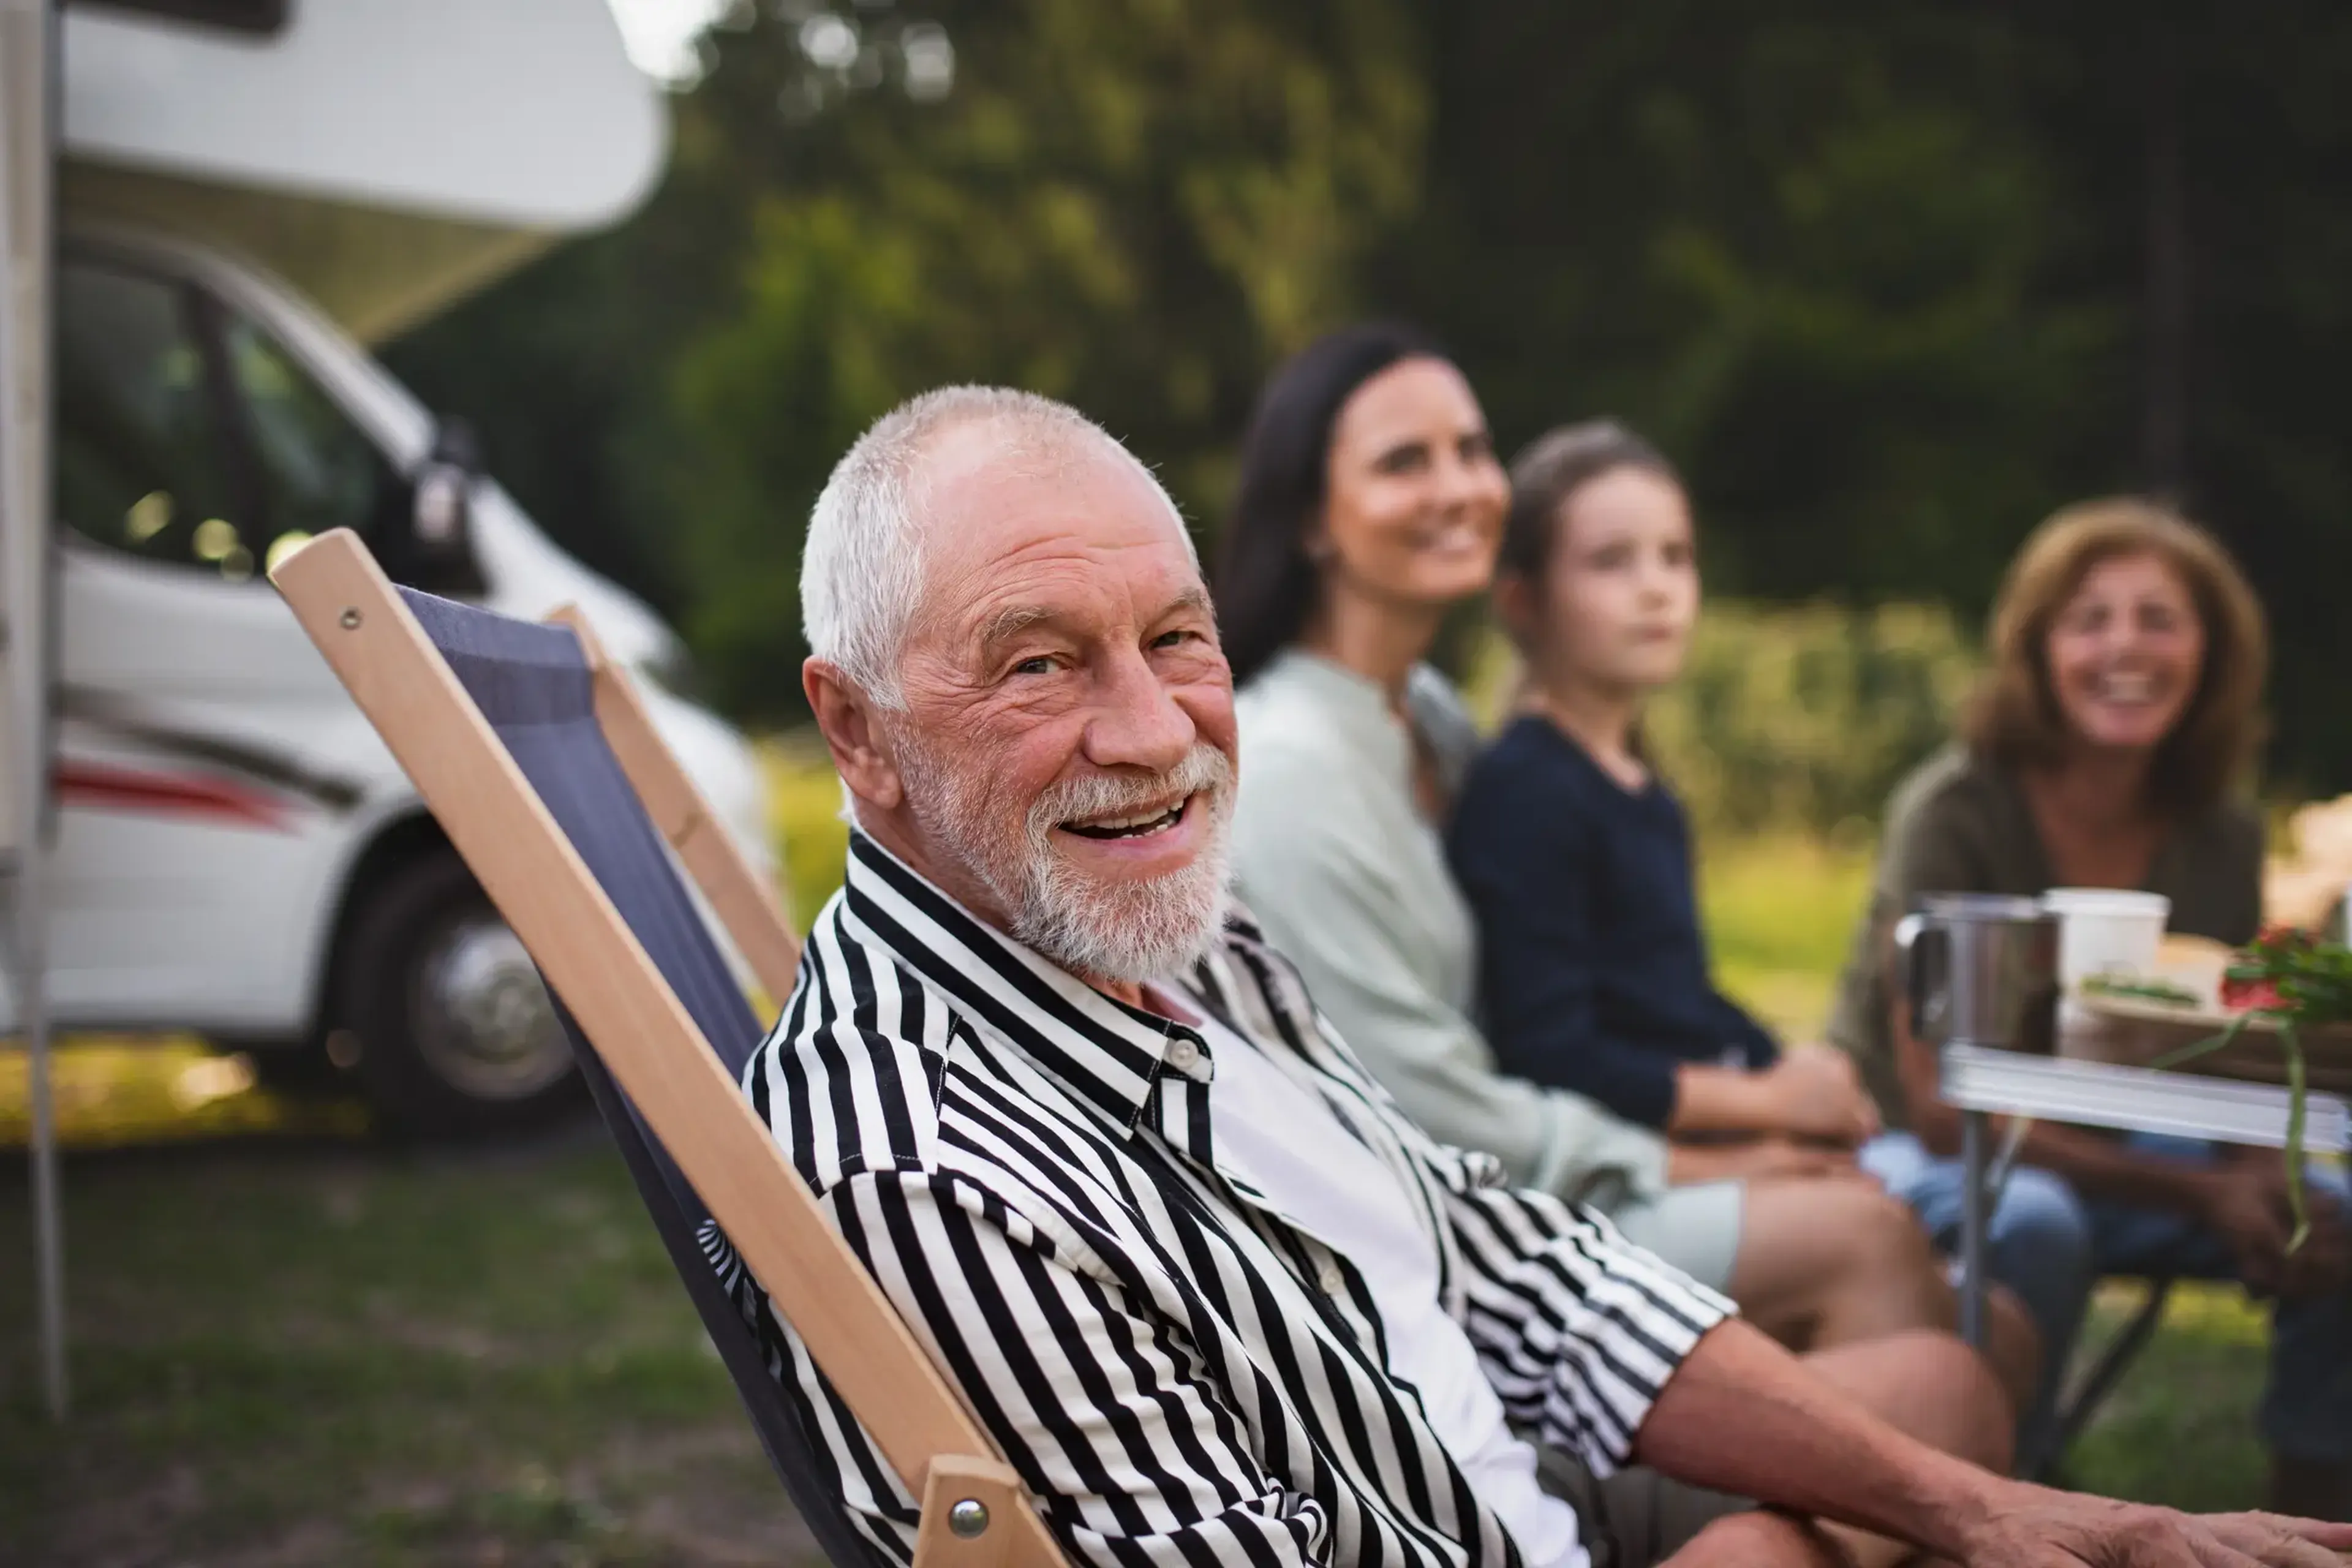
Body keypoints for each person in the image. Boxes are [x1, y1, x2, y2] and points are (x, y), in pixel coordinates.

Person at [715, 382, 2351, 1567]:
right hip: (1473, 1525)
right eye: (1038, 661)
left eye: (1176, 637)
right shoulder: (938, 1177)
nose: (1152, 732)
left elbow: (1513, 1271)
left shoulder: (1172, 940)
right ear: (854, 727)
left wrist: (1997, 1515)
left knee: (1942, 1389)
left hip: (1493, 1458)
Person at [1212, 326, 2034, 1399]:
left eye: (1471, 449)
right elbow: (1429, 1115)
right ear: (1313, 517)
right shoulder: (1291, 768)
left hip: (1534, 1171)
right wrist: (1712, 1160)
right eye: (1403, 462)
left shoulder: (1427, 717)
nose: (1459, 487)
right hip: (1439, 1238)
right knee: (1865, 1242)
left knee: (1995, 1330)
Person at [1825, 498, 2352, 1516]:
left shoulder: (2219, 831)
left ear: (2211, 650)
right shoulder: (1956, 813)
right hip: (1910, 1141)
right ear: (2036, 649)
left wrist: (2256, 1177)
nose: (2127, 647)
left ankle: (2316, 1499)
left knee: (2330, 1203)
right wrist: (2201, 1195)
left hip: (2131, 1144)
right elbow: (1940, 1106)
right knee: (2036, 1221)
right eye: (2090, 619)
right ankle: (2001, 1498)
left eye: (2160, 618)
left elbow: (2232, 1053)